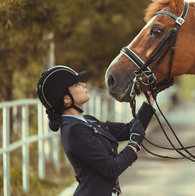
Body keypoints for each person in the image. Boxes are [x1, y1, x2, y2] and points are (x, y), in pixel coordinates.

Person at [36, 65, 154, 196]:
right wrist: (133, 145)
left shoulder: (87, 121)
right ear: (66, 99)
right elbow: (112, 169)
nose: (84, 84)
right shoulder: (74, 131)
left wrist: (151, 97)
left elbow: (129, 129)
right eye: (76, 84)